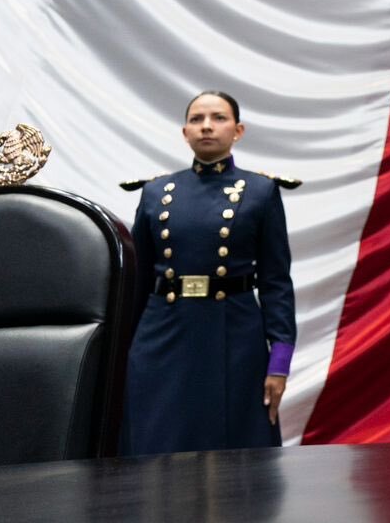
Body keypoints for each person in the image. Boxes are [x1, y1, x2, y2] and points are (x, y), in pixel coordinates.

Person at [121, 91, 296, 454]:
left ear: (238, 130)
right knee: (157, 440)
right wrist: (124, 352)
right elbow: (136, 284)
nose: (206, 127)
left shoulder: (261, 191)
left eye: (218, 118)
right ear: (184, 132)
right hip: (163, 333)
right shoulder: (156, 192)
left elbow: (276, 282)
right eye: (197, 119)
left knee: (234, 454)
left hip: (234, 334)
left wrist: (279, 363)